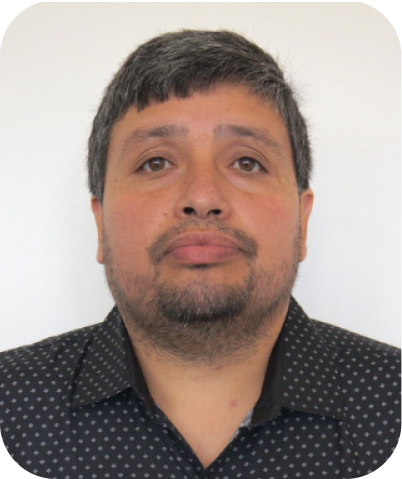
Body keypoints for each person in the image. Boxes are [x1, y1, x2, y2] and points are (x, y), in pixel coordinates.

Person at [0, 30, 400, 479]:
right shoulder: (9, 405)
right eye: (155, 162)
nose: (203, 197)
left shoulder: (392, 403)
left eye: (247, 162)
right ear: (100, 221)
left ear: (302, 221)